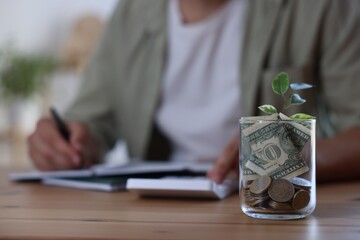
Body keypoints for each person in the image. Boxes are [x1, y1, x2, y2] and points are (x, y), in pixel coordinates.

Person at [28, 0, 360, 182]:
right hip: (150, 217)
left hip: (272, 209)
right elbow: (91, 124)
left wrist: (292, 154)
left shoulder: (322, 7)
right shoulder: (130, 13)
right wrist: (68, 142)